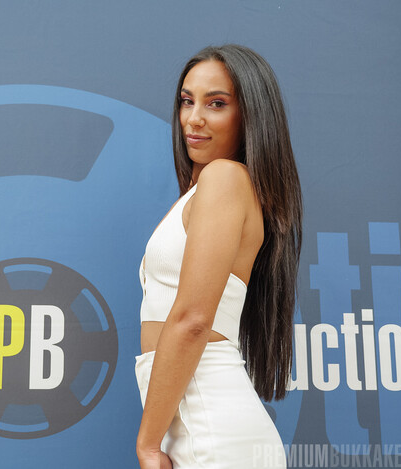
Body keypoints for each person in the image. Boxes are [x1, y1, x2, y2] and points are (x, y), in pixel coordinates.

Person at [135, 44, 302, 469]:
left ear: (250, 116)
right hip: (195, 424)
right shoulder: (204, 190)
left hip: (212, 429)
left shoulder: (225, 178)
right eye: (186, 101)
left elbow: (193, 320)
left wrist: (148, 444)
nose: (194, 118)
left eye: (216, 104)